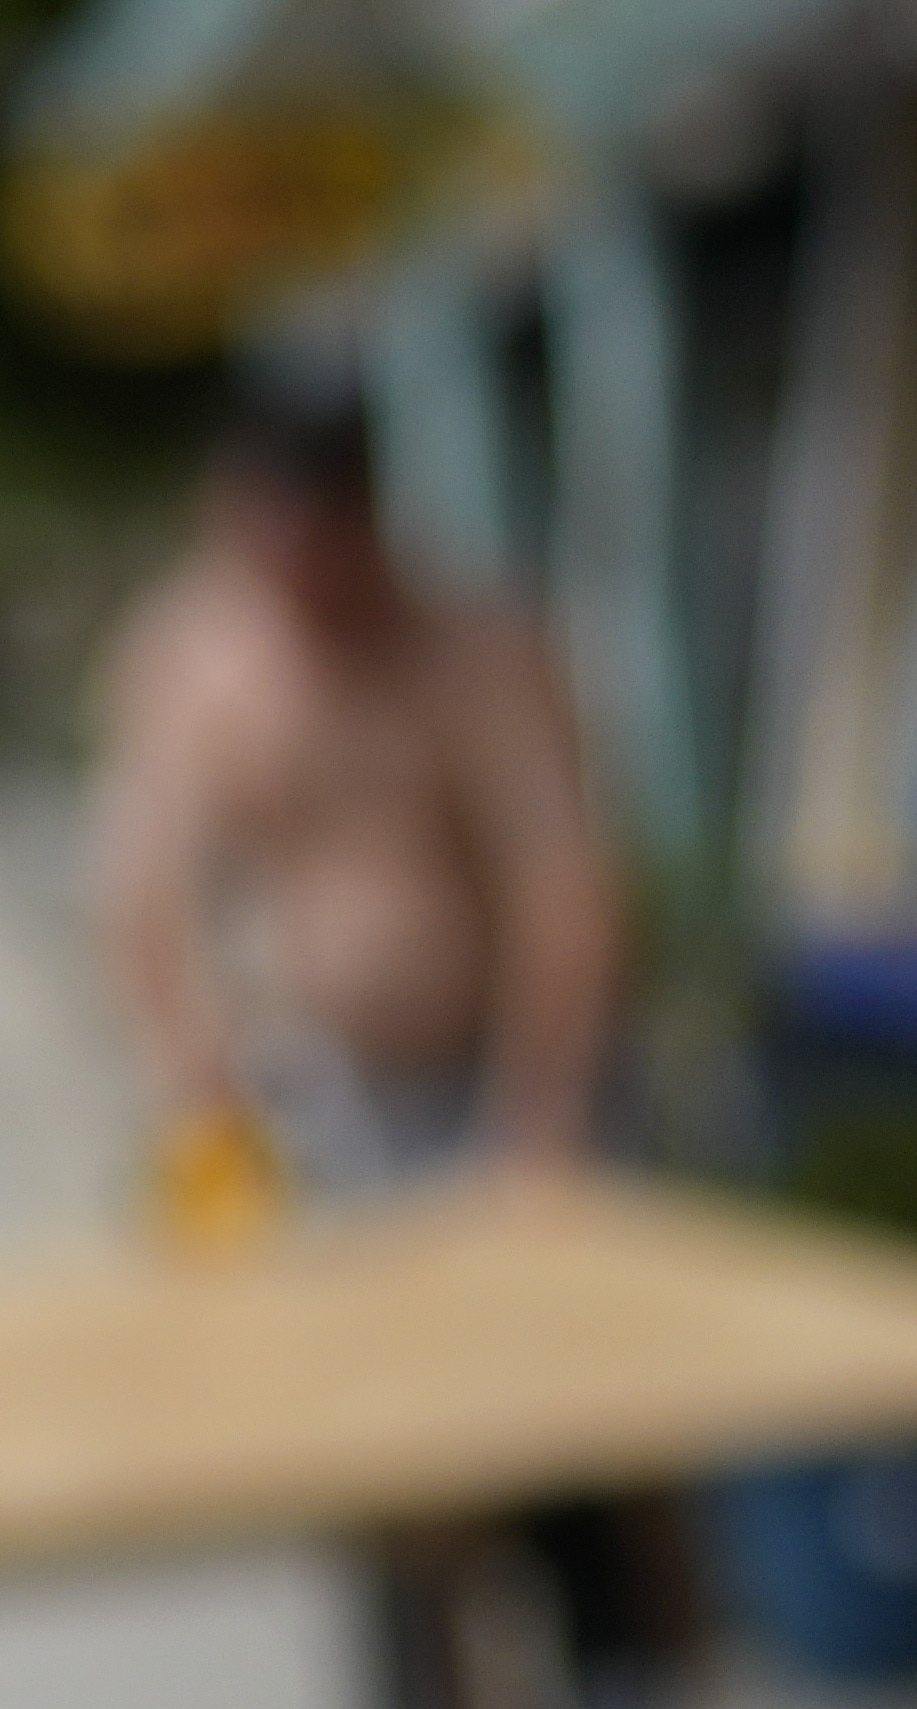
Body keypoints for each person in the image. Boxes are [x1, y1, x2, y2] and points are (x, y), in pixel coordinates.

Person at [83, 382, 618, 1198]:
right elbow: (142, 897)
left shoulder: (478, 655)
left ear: (367, 514)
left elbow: (564, 890)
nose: (304, 573)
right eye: (273, 539)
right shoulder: (191, 664)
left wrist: (541, 1113)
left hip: (485, 1088)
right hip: (296, 1093)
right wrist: (192, 1083)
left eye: (323, 536)